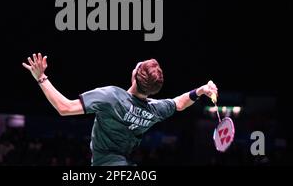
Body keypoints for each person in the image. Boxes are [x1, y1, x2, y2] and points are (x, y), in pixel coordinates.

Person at [23, 53, 218, 166]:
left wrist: (41, 78)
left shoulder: (111, 97)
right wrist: (201, 90)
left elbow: (65, 108)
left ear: (135, 75)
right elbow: (180, 103)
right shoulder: (155, 110)